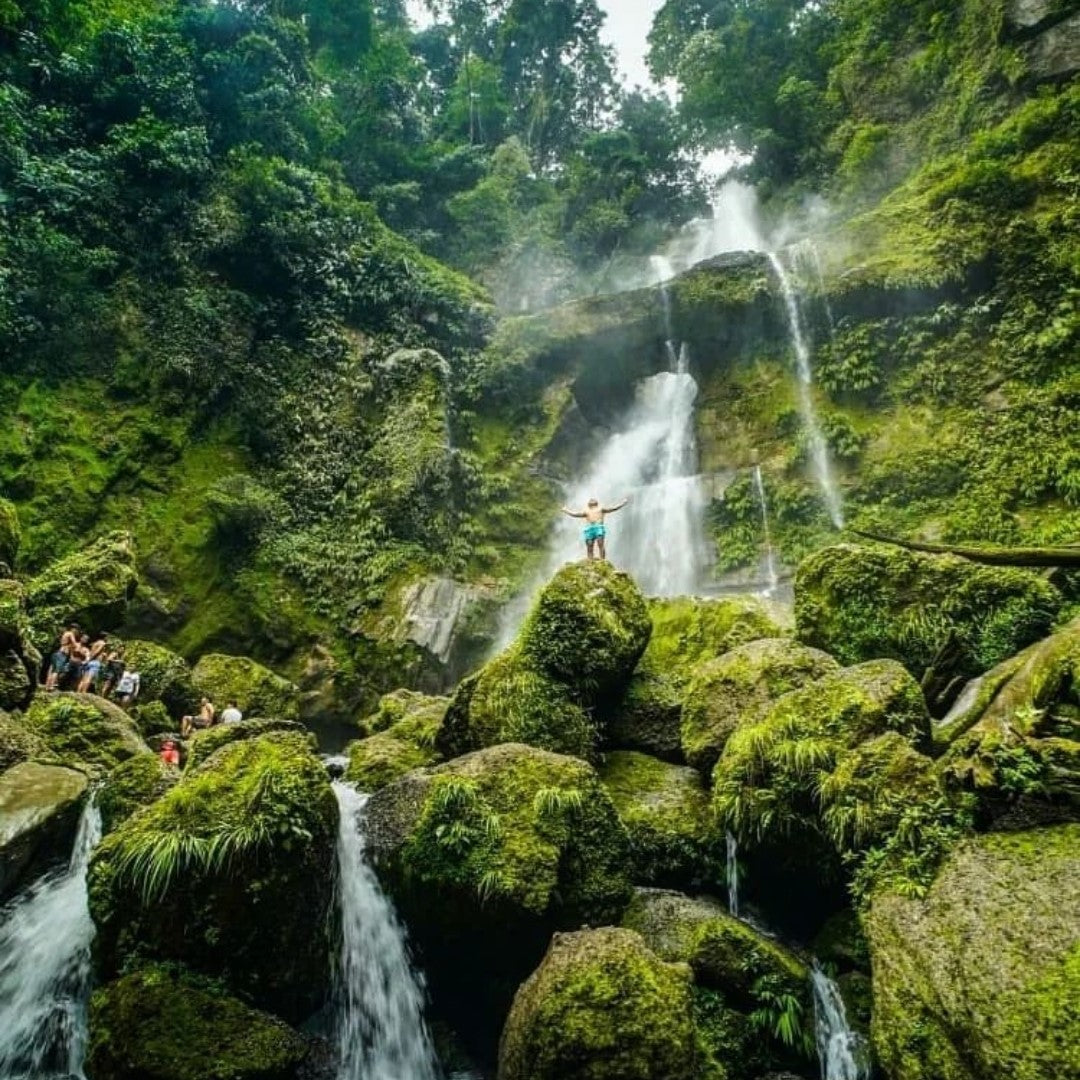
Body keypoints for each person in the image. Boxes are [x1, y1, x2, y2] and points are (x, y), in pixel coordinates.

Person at [561, 496, 629, 561]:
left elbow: (613, 508)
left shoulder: (601, 509)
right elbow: (575, 514)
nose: (592, 500)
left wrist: (623, 503)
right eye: (591, 501)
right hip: (589, 528)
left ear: (597, 503)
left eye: (593, 500)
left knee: (600, 544)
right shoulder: (586, 511)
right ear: (588, 504)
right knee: (589, 546)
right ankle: (590, 560)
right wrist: (566, 510)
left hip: (598, 527)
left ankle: (602, 560)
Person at [44, 623, 79, 691]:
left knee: (52, 670)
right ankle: (51, 686)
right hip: (62, 654)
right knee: (57, 671)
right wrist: (74, 646)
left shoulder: (65, 633)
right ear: (74, 629)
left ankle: (47, 685)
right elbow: (75, 645)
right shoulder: (70, 634)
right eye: (76, 630)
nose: (76, 632)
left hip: (58, 652)